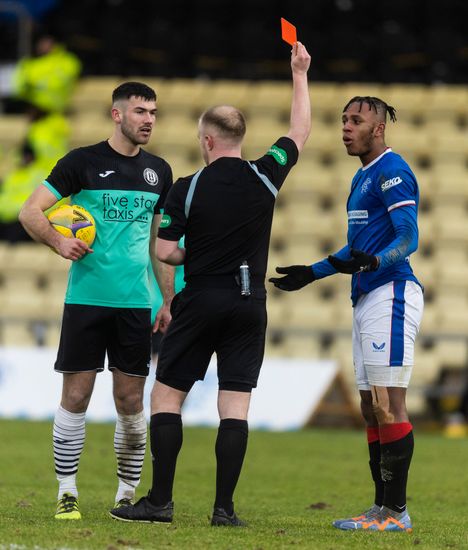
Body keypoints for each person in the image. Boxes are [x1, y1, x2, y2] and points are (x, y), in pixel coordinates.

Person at [110, 42, 311, 526]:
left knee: (166, 398)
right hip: (250, 301)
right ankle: (224, 510)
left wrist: (191, 252)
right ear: (240, 137)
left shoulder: (187, 187)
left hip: (202, 297)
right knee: (234, 405)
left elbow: (165, 251)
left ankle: (159, 502)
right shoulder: (267, 174)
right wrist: (299, 73)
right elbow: (300, 130)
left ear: (207, 140)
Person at [18, 81, 175, 520]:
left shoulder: (158, 172)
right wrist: (58, 242)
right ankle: (66, 491)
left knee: (130, 401)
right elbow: (31, 211)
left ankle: (126, 495)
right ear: (117, 114)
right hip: (86, 299)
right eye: (141, 111)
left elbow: (158, 243)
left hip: (134, 304)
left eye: (154, 113)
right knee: (77, 395)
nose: (148, 120)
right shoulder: (81, 163)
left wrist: (166, 297)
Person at [270, 96, 424, 532]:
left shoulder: (393, 171)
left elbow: (408, 237)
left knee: (388, 404)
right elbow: (353, 250)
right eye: (342, 120)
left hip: (391, 293)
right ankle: (380, 509)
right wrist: (312, 272)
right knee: (369, 407)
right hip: (365, 296)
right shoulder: (361, 179)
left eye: (356, 120)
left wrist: (377, 262)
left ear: (378, 129)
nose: (345, 127)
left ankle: (396, 514)